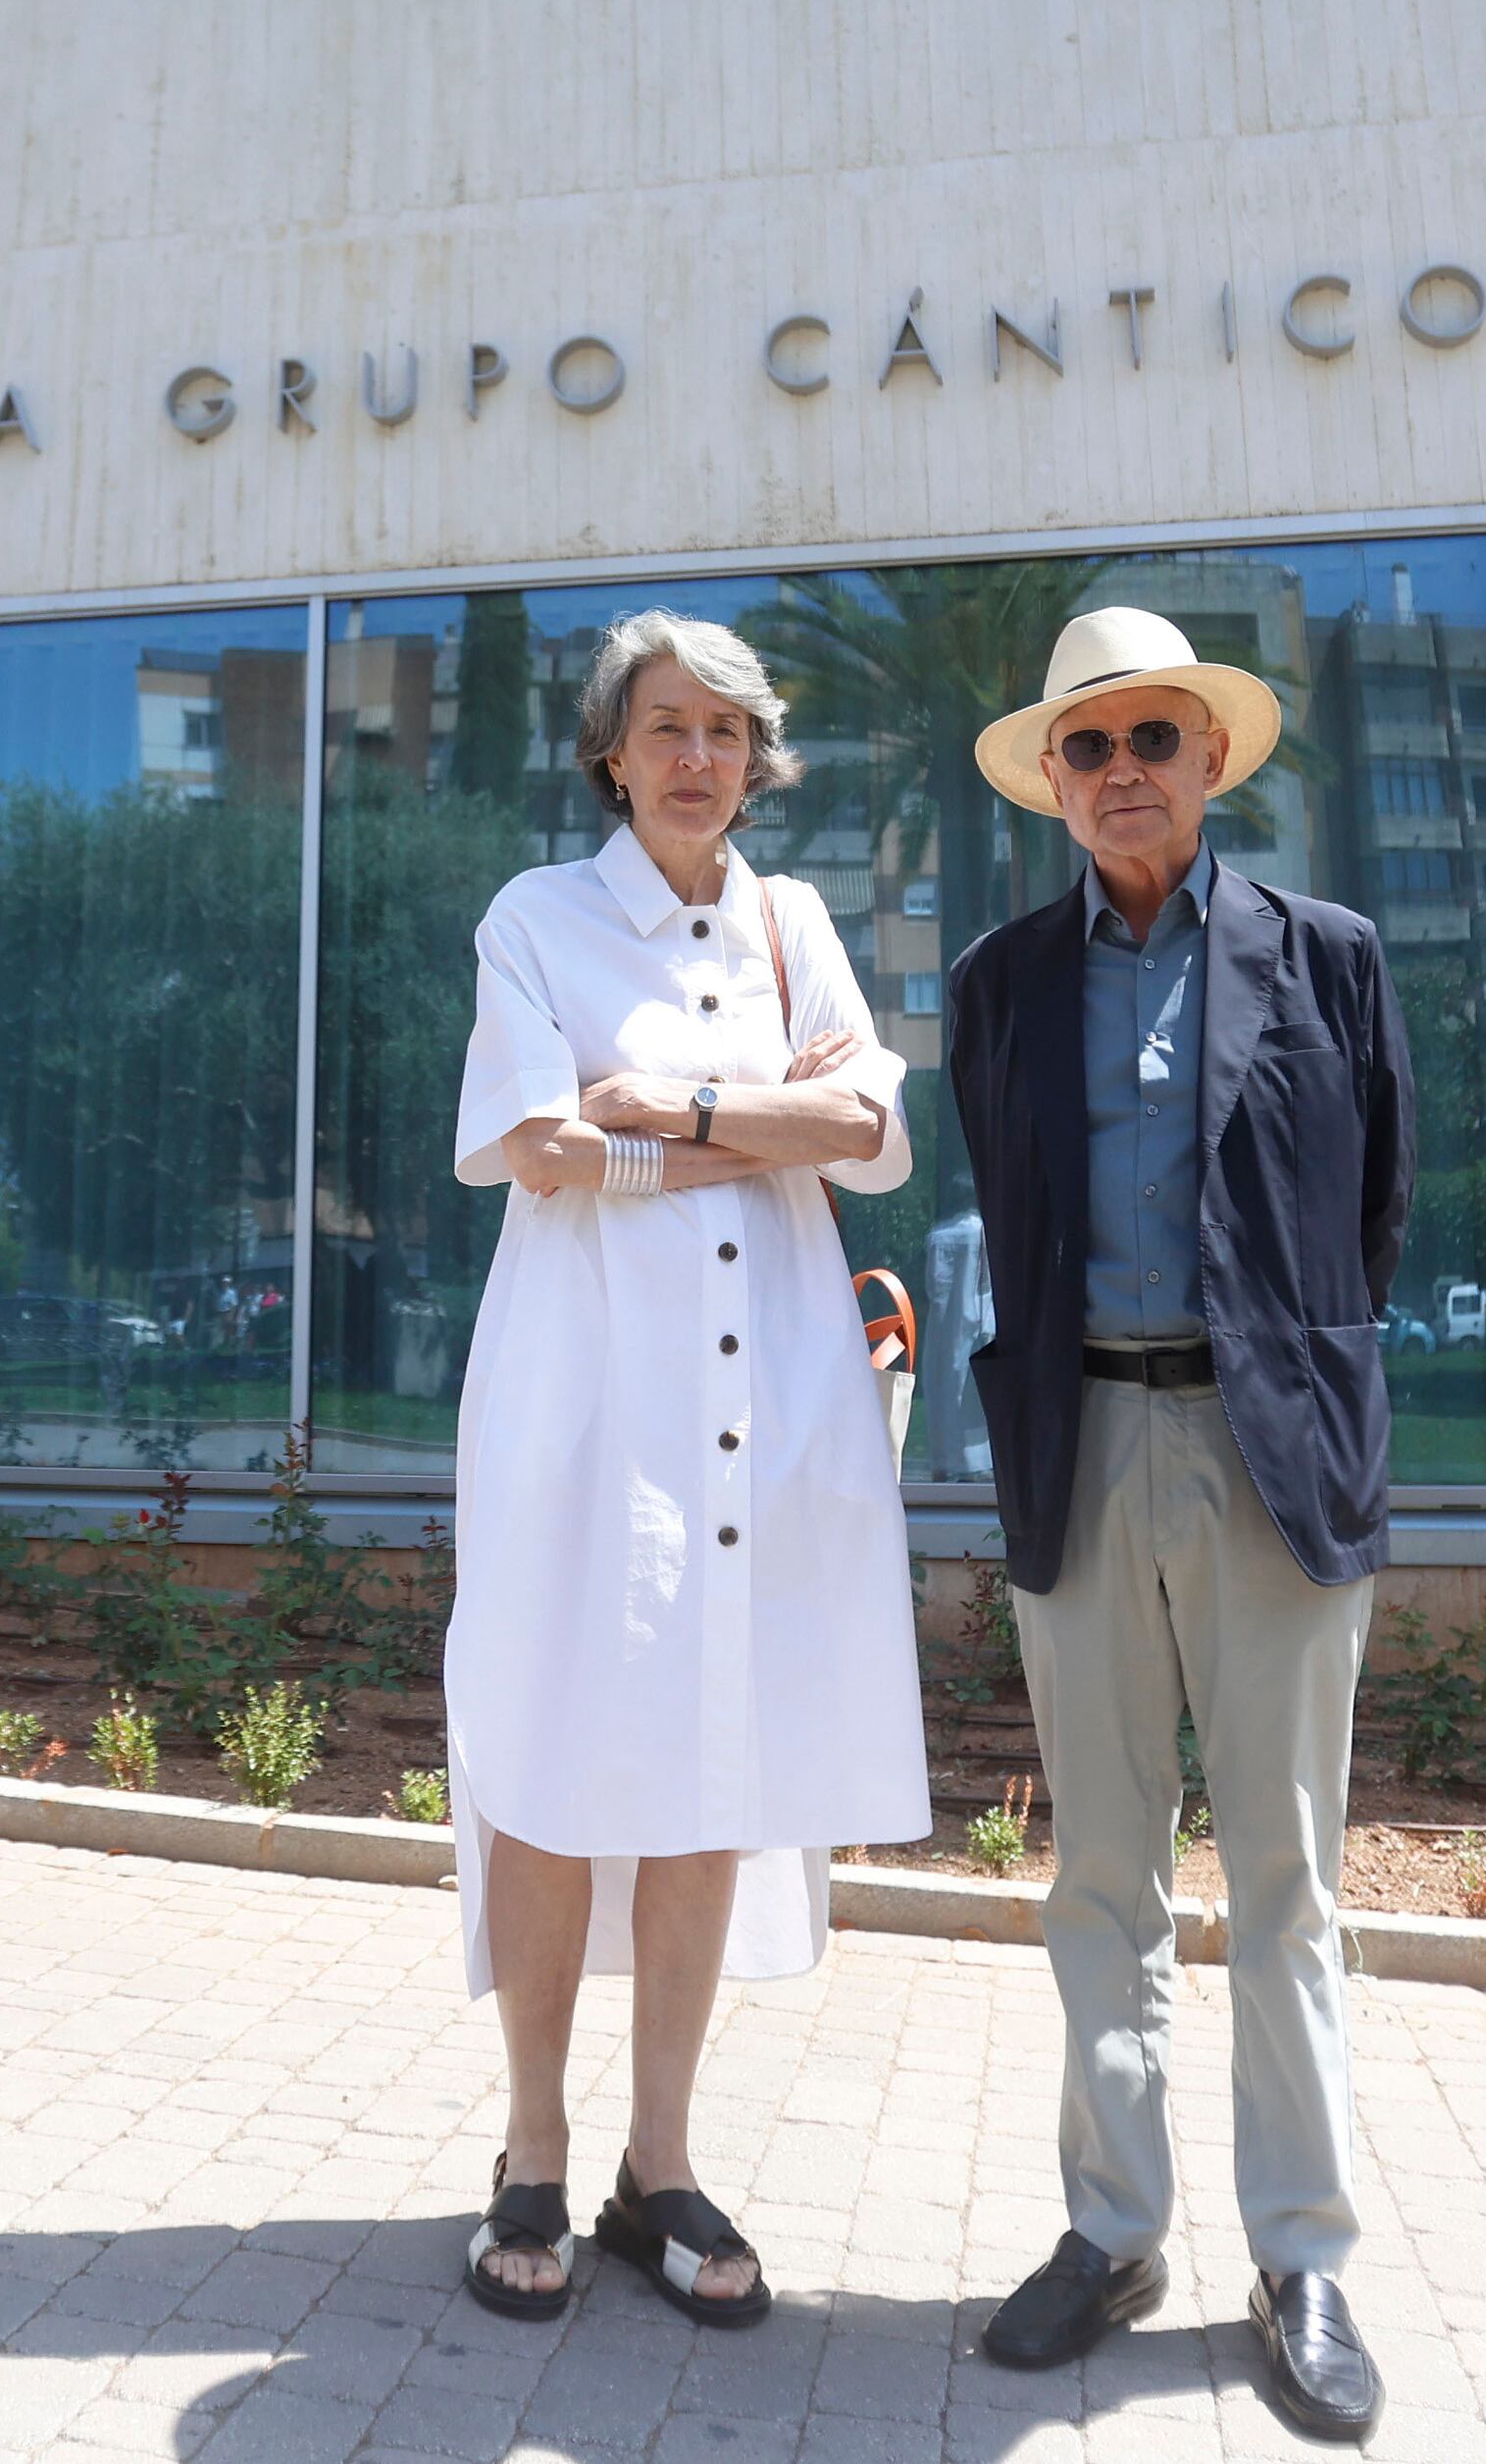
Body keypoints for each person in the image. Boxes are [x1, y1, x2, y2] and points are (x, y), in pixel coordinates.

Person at [945, 604, 1412, 2444]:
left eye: (1155, 737)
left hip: (1266, 1448)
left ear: (1210, 760)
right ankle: (1114, 2228)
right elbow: (1014, 1202)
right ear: (1052, 782)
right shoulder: (996, 982)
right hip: (1083, 1437)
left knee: (1287, 1876)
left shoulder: (1333, 956)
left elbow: (1370, 1211)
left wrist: (1278, 1370)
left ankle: (1302, 2254)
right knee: (1102, 1876)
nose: (1123, 769)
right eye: (1090, 745)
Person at [441, 610, 926, 2329]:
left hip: (765, 1407)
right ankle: (534, 2141)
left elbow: (878, 1137)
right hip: (588, 1408)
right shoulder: (538, 917)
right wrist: (734, 1130)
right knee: (561, 1751)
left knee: (712, 1762)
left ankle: (664, 2155)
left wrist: (666, 1106)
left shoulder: (796, 923)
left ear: (757, 754)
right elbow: (532, 1144)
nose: (698, 755)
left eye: (727, 727)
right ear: (612, 749)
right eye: (666, 725)